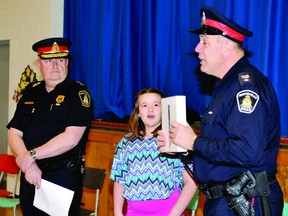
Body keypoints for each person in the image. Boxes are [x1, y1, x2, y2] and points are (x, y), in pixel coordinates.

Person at [157, 6, 283, 216]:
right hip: (225, 202)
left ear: (226, 48)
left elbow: (246, 150)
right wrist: (184, 149)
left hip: (245, 203)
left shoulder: (246, 87)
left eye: (204, 42)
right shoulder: (226, 87)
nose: (197, 48)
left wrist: (194, 142)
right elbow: (222, 152)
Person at [7, 37, 94, 216]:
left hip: (61, 178)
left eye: (60, 60)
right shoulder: (31, 91)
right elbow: (14, 134)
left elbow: (71, 138)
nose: (55, 65)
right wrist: (29, 166)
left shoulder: (78, 94)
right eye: (49, 61)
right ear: (39, 64)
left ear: (67, 63)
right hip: (30, 175)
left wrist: (30, 156)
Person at [110, 88, 198, 216]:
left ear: (164, 110)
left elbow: (191, 182)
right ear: (138, 112)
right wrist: (118, 212)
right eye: (144, 105)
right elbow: (119, 179)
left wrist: (174, 214)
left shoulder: (175, 140)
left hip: (168, 212)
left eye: (156, 105)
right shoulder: (126, 143)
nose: (150, 109)